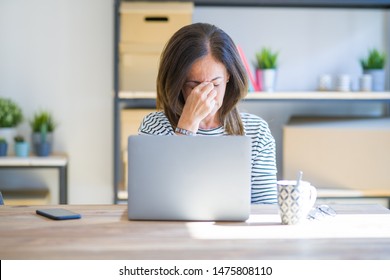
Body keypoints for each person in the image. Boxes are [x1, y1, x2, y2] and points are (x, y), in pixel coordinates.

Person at [138, 22, 277, 204]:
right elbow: (151, 201)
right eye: (194, 86)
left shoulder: (257, 132)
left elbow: (265, 208)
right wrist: (186, 126)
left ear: (228, 76)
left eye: (215, 84)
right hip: (172, 231)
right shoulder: (155, 127)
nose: (206, 95)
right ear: (178, 83)